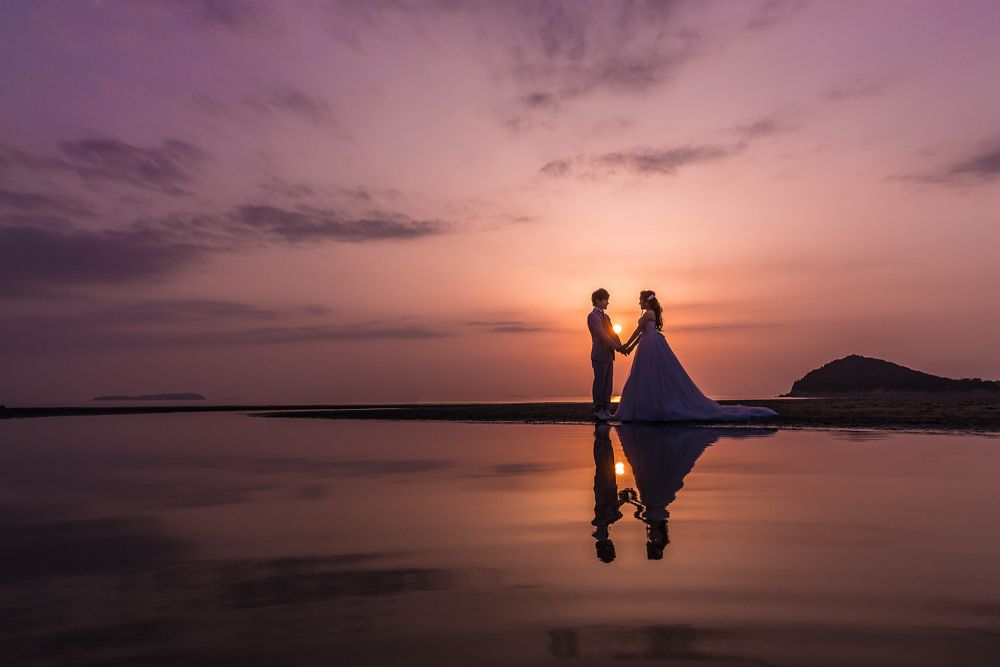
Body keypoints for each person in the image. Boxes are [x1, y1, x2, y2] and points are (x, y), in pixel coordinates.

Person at [614, 290, 778, 422]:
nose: (638, 302)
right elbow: (641, 334)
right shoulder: (649, 315)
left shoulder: (649, 314)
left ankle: (653, 408)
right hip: (647, 343)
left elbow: (637, 332)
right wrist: (628, 348)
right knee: (646, 377)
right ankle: (648, 406)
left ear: (646, 301)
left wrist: (625, 346)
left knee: (654, 376)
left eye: (640, 299)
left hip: (651, 345)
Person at [587, 288, 625, 421]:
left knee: (608, 383)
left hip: (609, 355)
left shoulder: (606, 317)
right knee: (600, 382)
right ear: (598, 300)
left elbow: (613, 333)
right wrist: (617, 347)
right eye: (605, 300)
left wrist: (621, 347)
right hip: (599, 355)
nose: (608, 303)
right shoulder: (593, 317)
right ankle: (598, 409)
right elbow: (602, 335)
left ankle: (606, 409)